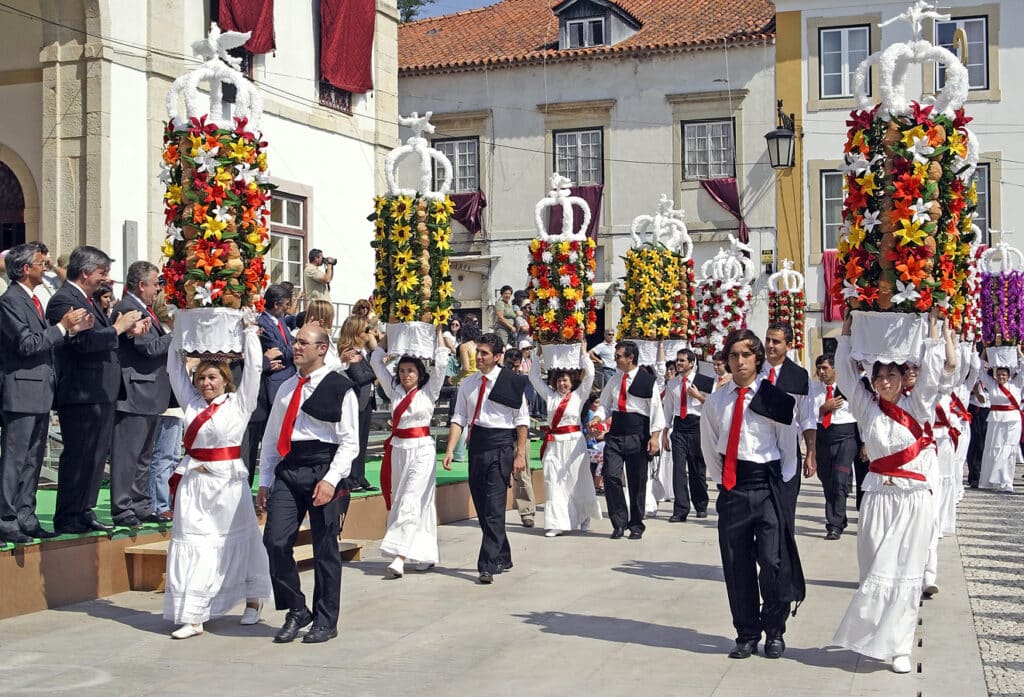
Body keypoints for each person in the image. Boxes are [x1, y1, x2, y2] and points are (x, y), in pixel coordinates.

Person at [832, 311, 956, 673]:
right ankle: (873, 636)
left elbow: (933, 373)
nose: (884, 381)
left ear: (904, 378)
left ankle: (900, 646)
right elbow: (844, 375)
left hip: (912, 500)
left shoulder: (917, 405)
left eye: (892, 375)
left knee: (905, 573)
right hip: (876, 497)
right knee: (872, 570)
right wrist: (847, 331)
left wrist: (933, 329)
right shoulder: (865, 407)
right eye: (879, 375)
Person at [163, 317, 272, 639]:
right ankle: (193, 616)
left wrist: (251, 333)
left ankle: (253, 601)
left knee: (237, 541)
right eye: (200, 378)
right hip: (194, 484)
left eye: (212, 377)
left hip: (228, 487)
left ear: (225, 380)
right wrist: (176, 336)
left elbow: (254, 372)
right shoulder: (191, 404)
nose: (205, 383)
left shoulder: (240, 404)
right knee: (196, 545)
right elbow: (173, 371)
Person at [700, 329, 804, 660]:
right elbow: (709, 448)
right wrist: (725, 482)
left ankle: (774, 630)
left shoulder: (773, 397)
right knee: (736, 563)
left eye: (746, 354)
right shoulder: (717, 401)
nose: (739, 361)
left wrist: (784, 492)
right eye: (733, 355)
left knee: (774, 563)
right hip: (734, 486)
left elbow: (789, 449)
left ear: (757, 358)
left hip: (768, 485)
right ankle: (746, 632)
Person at [258, 324, 360, 644]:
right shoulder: (287, 387)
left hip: (324, 467)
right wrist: (264, 480)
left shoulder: (339, 387)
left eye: (304, 343)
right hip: (290, 469)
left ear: (322, 348)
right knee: (275, 541)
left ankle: (326, 619)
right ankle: (297, 609)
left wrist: (331, 480)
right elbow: (273, 437)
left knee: (325, 549)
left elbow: (350, 443)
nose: (296, 347)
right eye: (295, 342)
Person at [46, 246, 146, 534]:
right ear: (86, 272)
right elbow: (81, 343)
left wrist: (124, 331)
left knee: (95, 455)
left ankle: (84, 510)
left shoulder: (88, 300)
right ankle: (67, 514)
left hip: (101, 391)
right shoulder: (64, 300)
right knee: (79, 454)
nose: (106, 279)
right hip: (81, 392)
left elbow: (98, 339)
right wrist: (116, 328)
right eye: (102, 273)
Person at [0, 243, 91, 543]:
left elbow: (43, 342)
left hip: (39, 391)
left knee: (33, 460)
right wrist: (61, 328)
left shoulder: (35, 299)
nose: (48, 266)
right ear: (26, 268)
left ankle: (26, 515)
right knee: (15, 460)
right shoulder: (10, 301)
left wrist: (70, 331)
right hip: (21, 391)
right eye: (42, 262)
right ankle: (6, 518)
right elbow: (26, 344)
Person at [443, 332, 530, 584]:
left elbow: (521, 420)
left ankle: (487, 564)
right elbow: (459, 417)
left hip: (501, 446)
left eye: (484, 353)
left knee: (494, 506)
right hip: (477, 445)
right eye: (477, 352)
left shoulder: (510, 382)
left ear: (498, 357)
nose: (478, 357)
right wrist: (450, 449)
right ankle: (503, 553)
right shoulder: (468, 384)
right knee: (482, 506)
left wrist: (520, 453)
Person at [370, 329, 449, 577]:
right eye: (402, 371)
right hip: (398, 449)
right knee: (411, 499)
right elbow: (375, 360)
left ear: (420, 374)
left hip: (422, 449)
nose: (406, 375)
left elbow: (443, 361)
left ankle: (399, 556)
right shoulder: (393, 390)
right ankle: (424, 552)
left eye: (411, 371)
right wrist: (390, 334)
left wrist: (437, 333)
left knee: (411, 499)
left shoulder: (429, 391)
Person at [109, 261, 174, 527]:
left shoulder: (144, 308)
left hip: (149, 390)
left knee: (145, 454)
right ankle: (123, 506)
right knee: (128, 453)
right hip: (135, 390)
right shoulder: (128, 308)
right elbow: (147, 348)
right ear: (141, 285)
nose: (158, 289)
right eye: (155, 283)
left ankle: (140, 502)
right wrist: (176, 335)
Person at [528, 344, 601, 537]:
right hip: (554, 443)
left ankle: (584, 516)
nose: (562, 384)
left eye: (566, 381)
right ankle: (556, 523)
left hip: (574, 444)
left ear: (572, 382)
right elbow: (533, 378)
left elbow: (591, 375)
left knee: (578, 480)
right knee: (552, 482)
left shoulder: (579, 396)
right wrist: (538, 355)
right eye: (559, 381)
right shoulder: (550, 396)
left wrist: (584, 351)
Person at [597, 340, 665, 540]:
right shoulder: (614, 380)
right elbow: (605, 404)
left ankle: (636, 524)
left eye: (619, 356)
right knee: (610, 475)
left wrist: (655, 437)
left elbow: (655, 410)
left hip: (638, 433)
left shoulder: (646, 381)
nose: (616, 359)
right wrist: (597, 418)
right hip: (617, 432)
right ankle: (619, 522)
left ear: (630, 358)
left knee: (637, 481)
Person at [761, 324, 816, 525]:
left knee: (784, 506)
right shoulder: (753, 370)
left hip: (787, 447)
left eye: (776, 342)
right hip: (756, 445)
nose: (770, 345)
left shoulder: (799, 376)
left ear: (789, 345)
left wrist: (810, 454)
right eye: (767, 340)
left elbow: (807, 417)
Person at [246, 284, 296, 488]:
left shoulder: (281, 322)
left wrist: (292, 346)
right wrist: (295, 348)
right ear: (276, 304)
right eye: (286, 304)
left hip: (286, 378)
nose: (288, 308)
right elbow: (282, 350)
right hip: (271, 387)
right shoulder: (263, 323)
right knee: (266, 440)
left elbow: (289, 345)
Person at [809, 354, 857, 540]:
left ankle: (834, 525)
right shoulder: (813, 390)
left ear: (835, 369)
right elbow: (805, 416)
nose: (821, 372)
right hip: (823, 436)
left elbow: (861, 414)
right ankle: (840, 516)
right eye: (819, 368)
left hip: (846, 437)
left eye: (825, 368)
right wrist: (823, 408)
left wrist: (864, 445)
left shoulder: (848, 387)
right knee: (828, 480)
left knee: (839, 478)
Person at [662, 348, 713, 522]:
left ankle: (701, 504)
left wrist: (698, 396)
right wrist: (664, 432)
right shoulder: (672, 384)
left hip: (697, 425)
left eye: (683, 360)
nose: (679, 363)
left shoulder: (704, 381)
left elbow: (713, 406)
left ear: (691, 363)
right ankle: (680, 509)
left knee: (697, 469)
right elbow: (668, 408)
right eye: (678, 360)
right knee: (678, 469)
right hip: (679, 427)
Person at [337, 314, 378, 492]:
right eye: (365, 331)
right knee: (354, 441)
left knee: (363, 441)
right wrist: (375, 371)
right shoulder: (349, 351)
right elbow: (359, 377)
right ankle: (351, 479)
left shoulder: (362, 352)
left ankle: (359, 476)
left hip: (366, 400)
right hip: (355, 401)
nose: (368, 334)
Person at [977, 355, 1022, 493]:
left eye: (1004, 374)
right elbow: (979, 370)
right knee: (994, 448)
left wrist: (1019, 352)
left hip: (1013, 419)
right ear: (995, 375)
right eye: (999, 374)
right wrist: (984, 354)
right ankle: (993, 480)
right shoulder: (992, 384)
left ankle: (1007, 481)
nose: (1001, 377)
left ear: (1009, 375)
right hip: (995, 419)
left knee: (1009, 449)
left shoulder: (1017, 384)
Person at [503, 347, 536, 527]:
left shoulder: (524, 381)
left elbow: (526, 405)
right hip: (501, 433)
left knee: (523, 475)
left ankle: (527, 512)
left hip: (520, 434)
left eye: (517, 366)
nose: (514, 370)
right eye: (511, 365)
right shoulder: (498, 379)